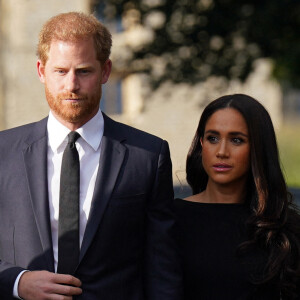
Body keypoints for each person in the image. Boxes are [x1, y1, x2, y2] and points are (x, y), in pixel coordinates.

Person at [0, 12, 182, 300]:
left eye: (83, 71)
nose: (71, 85)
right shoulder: (3, 152)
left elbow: (162, 267)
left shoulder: (147, 156)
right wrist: (17, 282)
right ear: (41, 70)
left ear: (106, 71)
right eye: (60, 71)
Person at [175, 94, 300, 299]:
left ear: (258, 148)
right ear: (201, 144)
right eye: (213, 138)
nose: (222, 151)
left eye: (236, 140)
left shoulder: (285, 228)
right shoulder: (169, 219)